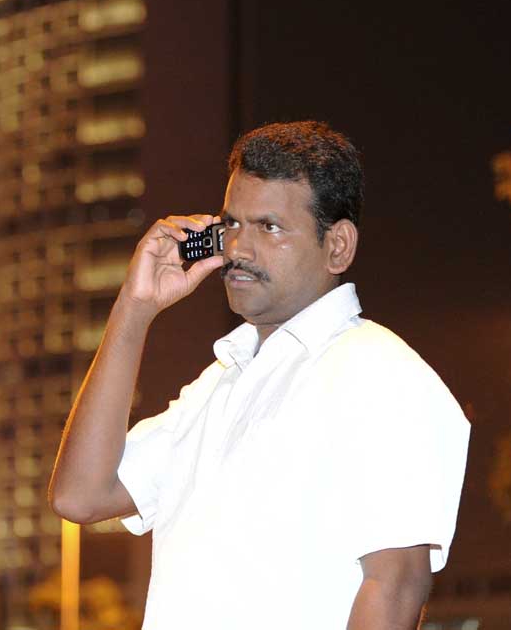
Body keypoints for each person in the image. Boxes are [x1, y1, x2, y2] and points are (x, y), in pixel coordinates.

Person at [48, 120, 470, 629]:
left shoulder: (379, 371)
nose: (239, 250)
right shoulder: (218, 386)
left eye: (269, 227)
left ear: (337, 245)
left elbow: (396, 584)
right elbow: (81, 494)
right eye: (231, 225)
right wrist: (135, 308)